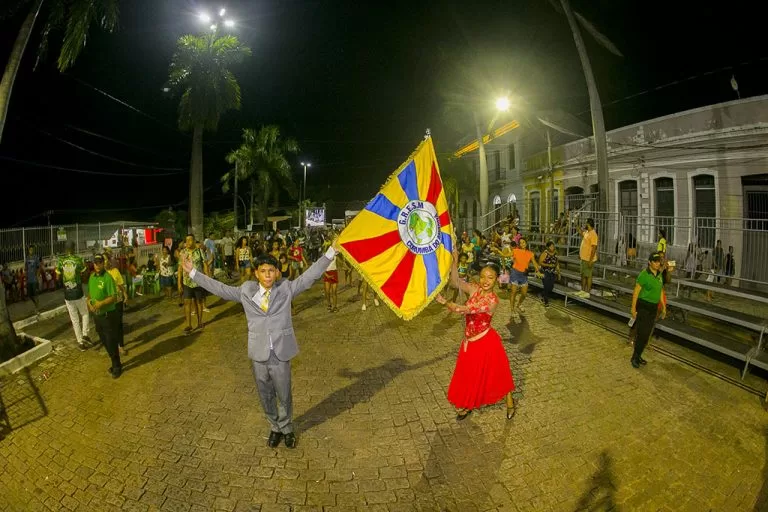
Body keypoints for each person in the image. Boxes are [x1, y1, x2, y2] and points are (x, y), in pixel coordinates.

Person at [181, 243, 339, 449]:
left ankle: (287, 428)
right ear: (256, 273)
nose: (267, 275)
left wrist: (330, 253)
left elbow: (309, 276)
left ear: (277, 272)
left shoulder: (286, 289)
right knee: (265, 394)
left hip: (281, 351)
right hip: (259, 352)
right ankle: (274, 427)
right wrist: (193, 273)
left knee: (283, 393)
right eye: (263, 271)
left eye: (271, 271)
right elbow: (220, 289)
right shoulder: (246, 291)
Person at [436, 248, 516, 421]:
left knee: (497, 376)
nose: (486, 281)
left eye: (490, 278)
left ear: (496, 280)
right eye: (483, 277)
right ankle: (466, 405)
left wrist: (445, 302)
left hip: (485, 342)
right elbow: (455, 281)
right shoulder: (474, 289)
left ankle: (510, 402)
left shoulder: (493, 300)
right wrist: (454, 260)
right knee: (468, 376)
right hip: (469, 342)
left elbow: (465, 309)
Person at [629, 252, 667, 369]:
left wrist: (663, 306)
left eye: (658, 261)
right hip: (644, 306)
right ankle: (635, 357)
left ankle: (638, 355)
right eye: (655, 261)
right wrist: (633, 307)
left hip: (653, 307)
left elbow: (660, 291)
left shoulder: (659, 275)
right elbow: (636, 292)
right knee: (642, 334)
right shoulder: (644, 275)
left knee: (646, 335)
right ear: (649, 262)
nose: (657, 263)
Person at [88, 254, 122, 378]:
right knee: (104, 340)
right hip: (97, 316)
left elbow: (114, 297)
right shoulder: (92, 277)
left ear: (103, 263)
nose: (97, 265)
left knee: (110, 340)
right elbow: (90, 295)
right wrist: (89, 304)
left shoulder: (107, 278)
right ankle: (114, 360)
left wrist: (101, 303)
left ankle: (117, 365)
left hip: (108, 315)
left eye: (100, 262)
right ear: (93, 264)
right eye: (95, 263)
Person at [56, 242, 91, 351]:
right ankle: (85, 334)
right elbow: (85, 274)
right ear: (73, 248)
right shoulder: (78, 260)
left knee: (74, 320)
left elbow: (57, 277)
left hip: (67, 294)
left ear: (65, 249)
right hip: (78, 292)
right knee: (85, 313)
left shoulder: (61, 261)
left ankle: (80, 342)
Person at [508, 237, 543, 321]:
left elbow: (534, 262)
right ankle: (512, 310)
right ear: (519, 245)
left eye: (523, 242)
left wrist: (537, 270)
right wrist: (498, 251)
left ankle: (519, 304)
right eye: (520, 243)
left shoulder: (530, 253)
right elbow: (506, 255)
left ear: (526, 243)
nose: (522, 244)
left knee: (524, 293)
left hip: (523, 275)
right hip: (515, 273)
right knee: (513, 292)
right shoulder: (516, 251)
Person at [178, 234, 207, 334]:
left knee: (199, 302)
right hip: (187, 281)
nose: (188, 242)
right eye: (186, 240)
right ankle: (188, 325)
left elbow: (205, 264)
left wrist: (207, 278)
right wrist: (179, 283)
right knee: (187, 302)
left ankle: (199, 322)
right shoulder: (183, 253)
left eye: (190, 240)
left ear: (194, 241)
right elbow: (180, 268)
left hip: (198, 281)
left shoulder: (199, 251)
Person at [105, 255, 129, 355]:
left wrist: (125, 294)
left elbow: (120, 284)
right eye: (103, 260)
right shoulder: (100, 275)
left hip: (118, 300)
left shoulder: (115, 271)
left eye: (106, 260)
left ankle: (120, 346)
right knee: (109, 326)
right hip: (107, 302)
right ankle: (112, 346)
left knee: (118, 325)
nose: (105, 262)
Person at [576, 217, 598, 298]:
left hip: (589, 259)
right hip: (583, 258)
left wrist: (591, 260)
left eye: (586, 223)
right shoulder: (587, 232)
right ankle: (583, 290)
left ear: (589, 224)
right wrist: (576, 224)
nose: (585, 224)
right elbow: (580, 232)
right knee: (583, 275)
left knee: (588, 276)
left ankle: (587, 292)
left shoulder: (593, 234)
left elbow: (594, 248)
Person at [538, 240, 560, 307]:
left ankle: (541, 294)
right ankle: (546, 301)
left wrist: (559, 273)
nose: (552, 247)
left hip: (552, 272)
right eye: (551, 246)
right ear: (547, 247)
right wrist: (548, 265)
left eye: (553, 246)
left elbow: (557, 263)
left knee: (551, 287)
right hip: (545, 271)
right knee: (546, 286)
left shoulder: (556, 254)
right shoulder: (545, 253)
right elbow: (540, 262)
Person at [24, 245, 42, 315]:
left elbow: (38, 268)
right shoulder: (27, 258)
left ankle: (37, 308)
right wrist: (26, 278)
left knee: (36, 294)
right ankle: (35, 304)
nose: (31, 251)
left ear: (33, 250)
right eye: (30, 250)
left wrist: (37, 276)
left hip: (34, 279)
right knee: (29, 295)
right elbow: (26, 269)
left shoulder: (36, 258)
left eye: (32, 249)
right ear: (28, 250)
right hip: (29, 279)